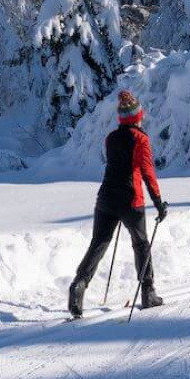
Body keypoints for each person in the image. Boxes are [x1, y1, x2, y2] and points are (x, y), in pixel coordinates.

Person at [68, 90, 169, 318]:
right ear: (137, 117)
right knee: (141, 244)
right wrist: (158, 203)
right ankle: (148, 292)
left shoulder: (110, 138)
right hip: (130, 199)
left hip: (105, 198)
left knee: (99, 242)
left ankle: (79, 284)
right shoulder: (141, 140)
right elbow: (147, 173)